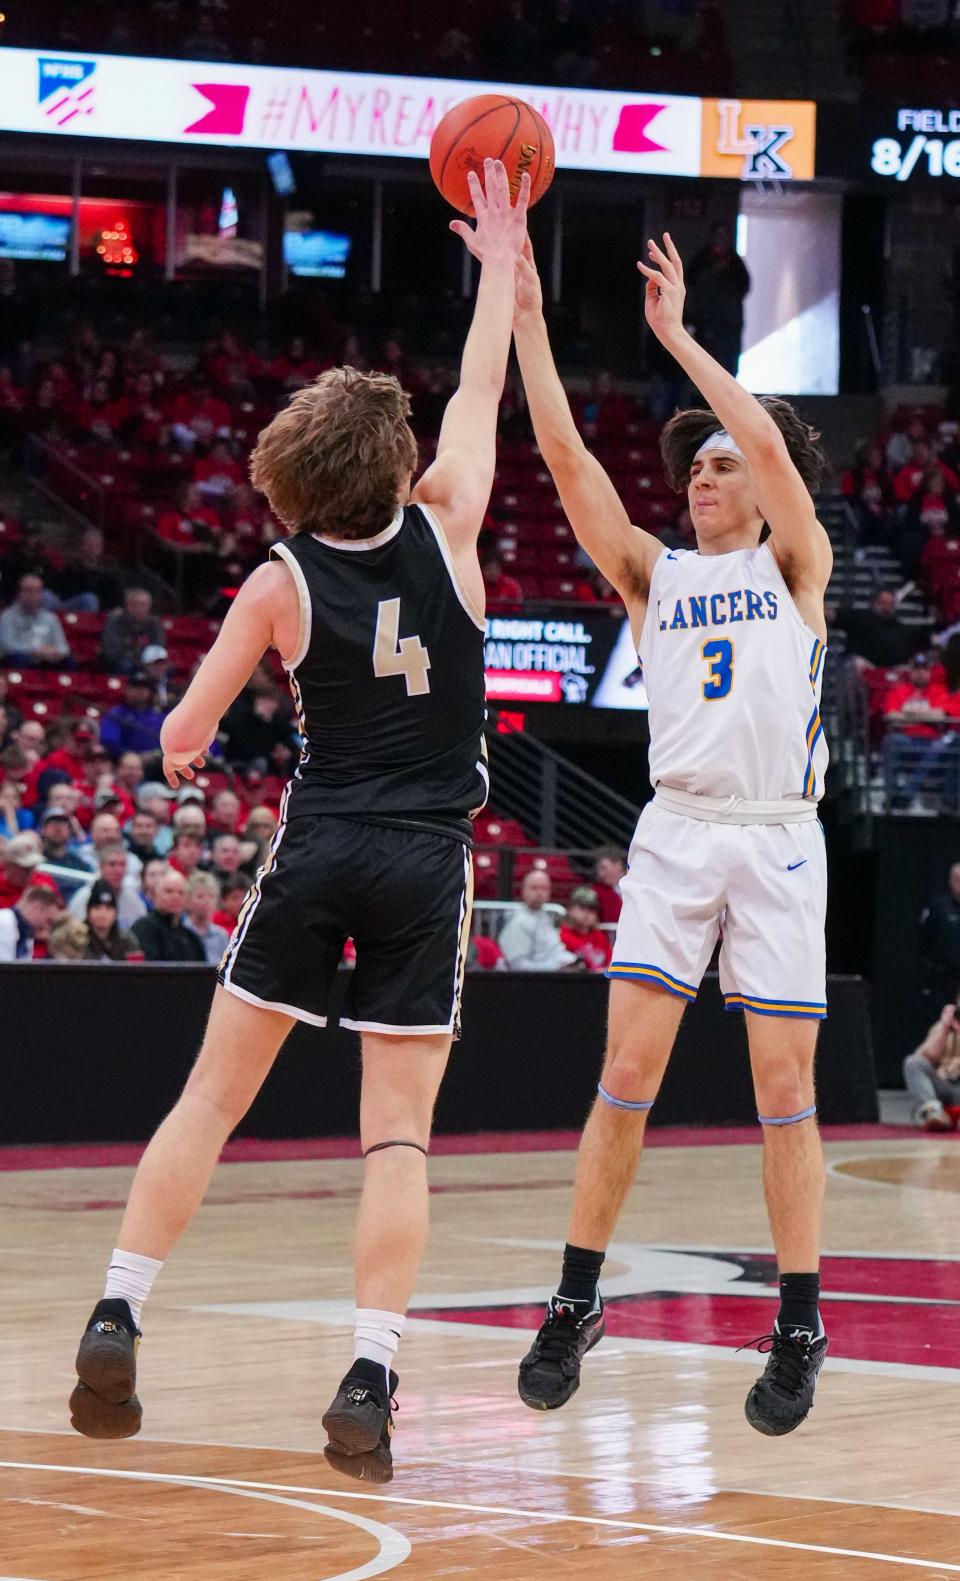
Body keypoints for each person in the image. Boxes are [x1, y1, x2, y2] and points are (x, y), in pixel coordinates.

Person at [68, 159, 530, 1482]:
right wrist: (496, 263)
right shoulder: (451, 527)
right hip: (427, 860)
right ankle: (371, 1374)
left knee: (210, 1097)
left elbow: (184, 735)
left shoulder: (276, 581)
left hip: (319, 840)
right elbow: (483, 386)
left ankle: (117, 1308)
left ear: (291, 474)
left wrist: (180, 755)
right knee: (395, 1133)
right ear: (393, 459)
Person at [511, 231, 832, 1436]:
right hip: (680, 833)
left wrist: (679, 339)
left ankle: (800, 1320)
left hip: (779, 838)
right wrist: (529, 313)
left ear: (760, 480)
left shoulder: (799, 562)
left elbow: (756, 436)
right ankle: (575, 1299)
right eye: (691, 468)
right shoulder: (653, 575)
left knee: (783, 1085)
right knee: (628, 1073)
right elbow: (562, 455)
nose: (700, 478)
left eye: (718, 465)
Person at [686, 221, 751, 376]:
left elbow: (744, 286)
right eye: (718, 235)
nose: (721, 239)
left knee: (727, 368)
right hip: (706, 325)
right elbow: (692, 280)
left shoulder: (735, 263)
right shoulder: (702, 260)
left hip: (729, 327)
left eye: (725, 235)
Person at [499, 869, 578, 970]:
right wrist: (556, 968)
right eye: (534, 888)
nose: (539, 893)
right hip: (538, 980)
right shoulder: (518, 922)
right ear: (523, 891)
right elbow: (518, 965)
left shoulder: (545, 916)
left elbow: (554, 951)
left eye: (543, 888)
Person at [903, 1001, 960, 1130]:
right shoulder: (943, 1027)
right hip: (945, 1085)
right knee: (912, 1062)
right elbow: (925, 1056)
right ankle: (933, 1112)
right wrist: (944, 1027)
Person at [129, 867, 206, 962]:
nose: (175, 897)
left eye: (181, 893)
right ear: (156, 894)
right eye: (169, 891)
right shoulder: (142, 928)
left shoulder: (192, 939)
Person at [69, 843, 147, 931]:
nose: (118, 870)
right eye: (112, 864)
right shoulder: (84, 897)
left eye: (122, 865)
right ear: (101, 867)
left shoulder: (133, 900)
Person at [0, 573, 71, 666]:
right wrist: (34, 650)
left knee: (68, 662)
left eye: (37, 591)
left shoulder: (50, 618)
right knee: (19, 659)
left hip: (47, 659)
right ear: (20, 593)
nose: (32, 595)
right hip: (22, 657)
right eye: (28, 590)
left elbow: (64, 648)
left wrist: (53, 652)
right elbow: (7, 645)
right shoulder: (7, 616)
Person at [919, 864, 960, 1008]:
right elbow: (924, 939)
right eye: (957, 879)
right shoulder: (939, 908)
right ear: (950, 882)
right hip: (943, 979)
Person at [100, 673, 167, 757]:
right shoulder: (116, 713)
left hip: (156, 763)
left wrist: (155, 754)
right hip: (124, 763)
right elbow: (109, 742)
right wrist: (135, 757)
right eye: (135, 686)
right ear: (126, 690)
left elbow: (169, 745)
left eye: (144, 687)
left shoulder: (159, 716)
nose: (140, 690)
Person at [101, 588, 165, 675]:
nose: (138, 609)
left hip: (146, 661)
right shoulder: (116, 620)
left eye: (143, 605)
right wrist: (138, 662)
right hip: (121, 659)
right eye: (134, 605)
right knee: (126, 665)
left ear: (149, 607)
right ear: (127, 605)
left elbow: (158, 646)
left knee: (166, 669)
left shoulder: (154, 623)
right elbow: (112, 651)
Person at [83, 881, 144, 962]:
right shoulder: (77, 939)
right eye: (97, 908)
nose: (102, 914)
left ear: (116, 913)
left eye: (108, 909)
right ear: (88, 912)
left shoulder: (127, 940)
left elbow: (137, 969)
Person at [0, 882, 59, 960]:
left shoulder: (26, 933)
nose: (47, 928)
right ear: (37, 907)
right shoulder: (3, 922)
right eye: (48, 921)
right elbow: (5, 969)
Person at [182, 871, 230, 964]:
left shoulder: (221, 935)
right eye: (200, 896)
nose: (206, 902)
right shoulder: (181, 932)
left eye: (211, 896)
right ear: (188, 900)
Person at [560, 886, 612, 971]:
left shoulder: (600, 937)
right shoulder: (561, 936)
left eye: (592, 909)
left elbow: (610, 964)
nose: (587, 913)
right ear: (570, 909)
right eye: (582, 908)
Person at [592, 847, 627, 924]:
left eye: (603, 868)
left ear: (618, 864)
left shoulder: (634, 884)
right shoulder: (598, 891)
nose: (601, 874)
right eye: (599, 870)